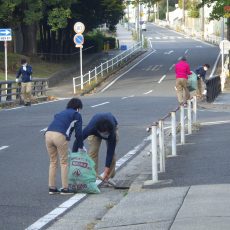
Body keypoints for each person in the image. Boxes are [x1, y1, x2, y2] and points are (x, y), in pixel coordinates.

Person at [45, 98, 84, 195]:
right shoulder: (76, 114)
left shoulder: (61, 113)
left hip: (48, 134)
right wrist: (81, 146)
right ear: (78, 107)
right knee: (64, 162)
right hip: (59, 135)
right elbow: (78, 133)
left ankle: (52, 187)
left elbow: (64, 126)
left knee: (53, 161)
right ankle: (66, 188)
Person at [73, 112, 118, 182]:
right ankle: (92, 177)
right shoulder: (91, 128)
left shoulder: (112, 132)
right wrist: (73, 157)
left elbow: (110, 151)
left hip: (111, 127)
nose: (104, 135)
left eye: (106, 133)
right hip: (95, 133)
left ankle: (107, 177)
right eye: (103, 133)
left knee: (112, 156)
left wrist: (106, 170)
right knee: (93, 152)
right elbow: (77, 140)